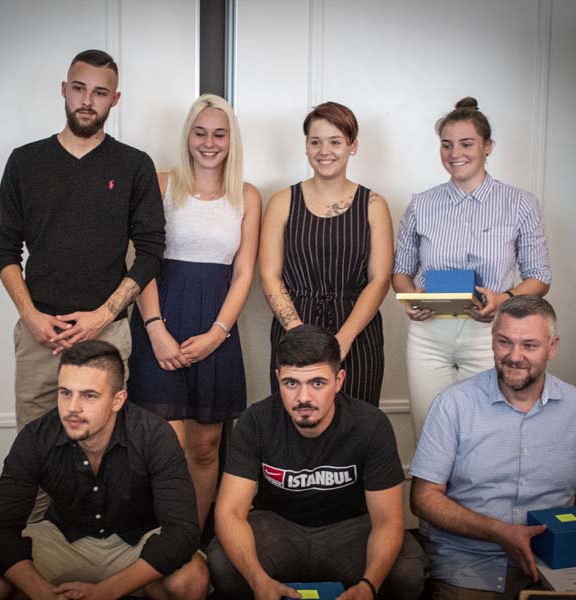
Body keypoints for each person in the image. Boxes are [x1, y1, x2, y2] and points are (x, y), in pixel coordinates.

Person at [0, 49, 165, 431]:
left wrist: (103, 315)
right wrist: (30, 316)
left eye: (100, 92)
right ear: (64, 89)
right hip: (40, 335)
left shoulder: (134, 165)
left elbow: (151, 252)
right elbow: (4, 249)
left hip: (107, 333)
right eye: (79, 88)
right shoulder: (25, 162)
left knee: (104, 445)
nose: (87, 100)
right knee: (35, 447)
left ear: (115, 99)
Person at [409, 296, 576, 600]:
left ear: (552, 348)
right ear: (492, 341)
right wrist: (499, 531)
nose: (514, 356)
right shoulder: (453, 404)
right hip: (470, 565)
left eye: (529, 345)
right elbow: (423, 498)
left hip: (556, 563)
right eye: (504, 342)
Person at [0, 340, 207, 600]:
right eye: (65, 393)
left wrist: (107, 591)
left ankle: (132, 586)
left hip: (136, 542)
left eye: (89, 395)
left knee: (190, 579)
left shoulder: (154, 435)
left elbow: (182, 532)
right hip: (64, 538)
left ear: (117, 400)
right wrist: (40, 591)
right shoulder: (36, 437)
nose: (72, 408)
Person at [208, 325, 426, 600]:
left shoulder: (370, 424)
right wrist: (257, 580)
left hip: (349, 530)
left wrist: (369, 586)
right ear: (278, 378)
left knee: (406, 572)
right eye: (291, 383)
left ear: (339, 380)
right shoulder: (256, 421)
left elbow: (387, 520)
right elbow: (230, 512)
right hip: (278, 527)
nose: (303, 398)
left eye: (318, 383)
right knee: (223, 563)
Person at [127, 94, 261, 528]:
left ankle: (190, 542)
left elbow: (243, 273)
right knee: (163, 446)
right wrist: (155, 330)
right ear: (187, 136)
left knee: (205, 448)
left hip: (216, 328)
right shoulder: (160, 183)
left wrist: (217, 334)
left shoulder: (247, 195)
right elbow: (142, 261)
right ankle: (155, 543)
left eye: (219, 134)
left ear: (231, 140)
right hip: (160, 322)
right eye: (200, 133)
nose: (209, 142)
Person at [392, 97, 551, 438]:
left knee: (485, 434)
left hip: (489, 333)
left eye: (466, 144)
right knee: (430, 432)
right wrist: (411, 298)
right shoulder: (421, 204)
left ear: (487, 146)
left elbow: (540, 278)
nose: (455, 154)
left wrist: (503, 298)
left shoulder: (520, 204)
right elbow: (400, 272)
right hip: (428, 336)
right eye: (446, 145)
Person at [260, 102, 393, 407]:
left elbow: (380, 279)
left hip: (358, 332)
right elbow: (269, 276)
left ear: (352, 146)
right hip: (294, 326)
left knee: (357, 422)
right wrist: (300, 336)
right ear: (306, 146)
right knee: (294, 419)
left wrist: (342, 340)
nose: (324, 151)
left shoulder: (374, 205)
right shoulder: (282, 201)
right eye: (315, 142)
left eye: (335, 142)